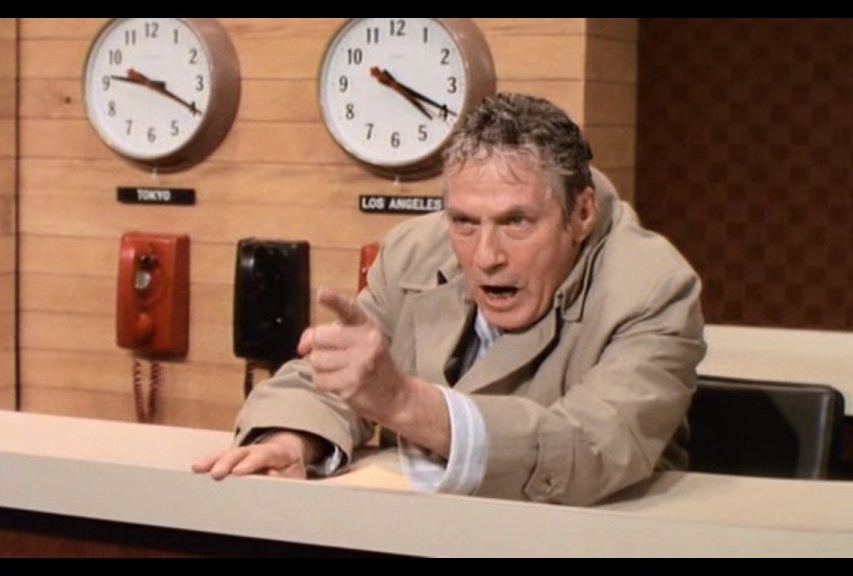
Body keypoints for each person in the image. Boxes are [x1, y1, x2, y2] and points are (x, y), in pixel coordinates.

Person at [193, 93, 706, 505]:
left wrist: (402, 402)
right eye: (463, 221)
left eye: (516, 221)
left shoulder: (653, 288)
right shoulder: (414, 250)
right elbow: (340, 381)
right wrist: (291, 439)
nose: (486, 256)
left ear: (582, 213)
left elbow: (590, 449)